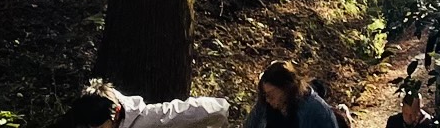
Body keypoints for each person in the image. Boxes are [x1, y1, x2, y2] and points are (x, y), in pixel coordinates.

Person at [54, 83, 229, 127]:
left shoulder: (147, 119)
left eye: (100, 127)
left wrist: (222, 109)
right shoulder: (84, 112)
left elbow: (187, 112)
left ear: (116, 114)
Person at [241, 62, 350, 128]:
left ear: (286, 88)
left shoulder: (317, 112)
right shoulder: (266, 106)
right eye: (265, 95)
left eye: (271, 94)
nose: (268, 99)